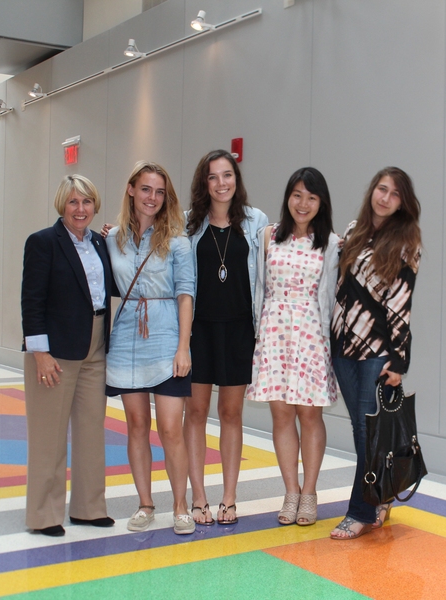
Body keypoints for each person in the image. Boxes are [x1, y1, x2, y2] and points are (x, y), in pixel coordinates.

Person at [329, 167, 422, 540]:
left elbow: (401, 306)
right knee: (361, 429)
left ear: (403, 203)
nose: (384, 197)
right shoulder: (354, 231)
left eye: (394, 194)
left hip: (376, 353)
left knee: (367, 432)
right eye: (381, 189)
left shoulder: (406, 244)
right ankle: (380, 493)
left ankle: (362, 510)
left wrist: (398, 362)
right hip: (342, 348)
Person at [104, 161, 196, 535]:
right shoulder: (111, 240)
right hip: (126, 341)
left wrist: (184, 347)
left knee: (171, 428)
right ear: (131, 190)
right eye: (145, 189)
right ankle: (145, 504)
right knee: (137, 425)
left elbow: (186, 294)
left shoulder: (178, 241)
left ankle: (180, 506)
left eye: (159, 192)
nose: (152, 198)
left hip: (167, 339)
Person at [20, 175, 115, 537]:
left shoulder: (101, 245)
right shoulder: (43, 243)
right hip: (55, 350)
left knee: (92, 430)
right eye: (73, 202)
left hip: (94, 345)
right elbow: (32, 301)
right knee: (48, 435)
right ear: (62, 204)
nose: (80, 209)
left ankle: (89, 508)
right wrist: (39, 353)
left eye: (87, 202)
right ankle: (44, 514)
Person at [247, 167, 339, 527]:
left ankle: (310, 492)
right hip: (274, 335)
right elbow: (259, 288)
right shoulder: (268, 236)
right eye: (297, 195)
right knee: (282, 415)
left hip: (311, 335)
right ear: (288, 197)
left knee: (309, 415)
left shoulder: (330, 242)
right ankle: (290, 491)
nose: (303, 204)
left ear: (321, 203)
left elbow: (331, 293)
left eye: (312, 197)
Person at [183, 150, 268, 526]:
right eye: (213, 177)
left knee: (231, 414)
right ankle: (199, 497)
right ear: (205, 183)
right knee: (196, 413)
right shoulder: (187, 224)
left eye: (227, 175)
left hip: (239, 330)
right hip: (198, 330)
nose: (222, 183)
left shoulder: (256, 221)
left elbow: (284, 251)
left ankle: (229, 499)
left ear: (237, 179)